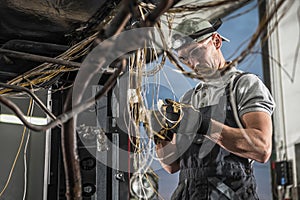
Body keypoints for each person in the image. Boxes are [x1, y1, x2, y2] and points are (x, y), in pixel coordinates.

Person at [154, 18, 275, 200]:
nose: (192, 63)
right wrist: (160, 135)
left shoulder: (244, 85)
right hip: (189, 194)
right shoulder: (189, 98)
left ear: (216, 41)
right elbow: (172, 165)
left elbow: (261, 148)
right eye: (184, 58)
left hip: (231, 194)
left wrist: (204, 125)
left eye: (195, 52)